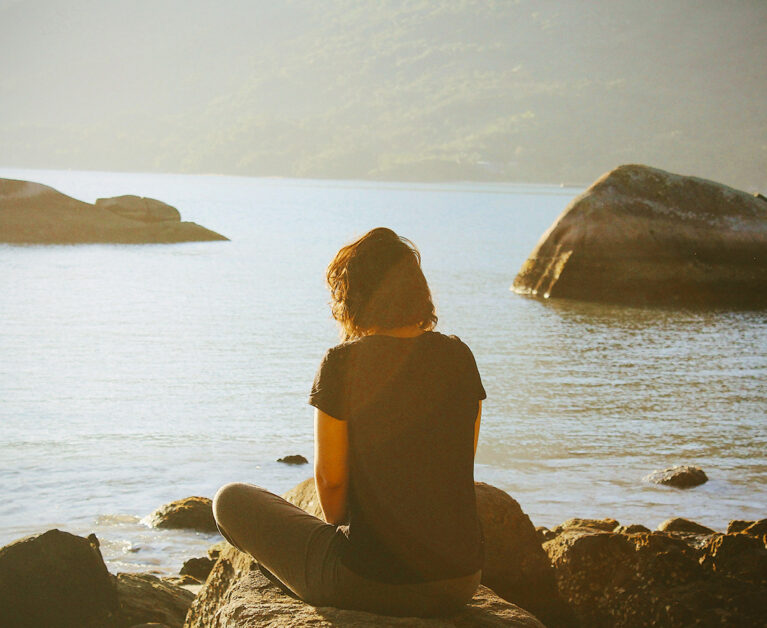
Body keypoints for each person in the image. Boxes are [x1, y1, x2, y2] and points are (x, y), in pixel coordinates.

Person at [213, 227, 486, 617]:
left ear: (351, 296)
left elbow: (334, 502)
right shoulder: (460, 357)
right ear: (418, 290)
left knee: (230, 500)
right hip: (461, 581)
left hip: (372, 581)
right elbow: (461, 461)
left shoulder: (342, 364)